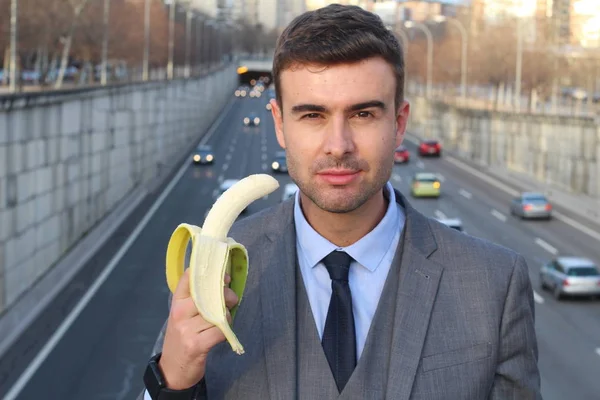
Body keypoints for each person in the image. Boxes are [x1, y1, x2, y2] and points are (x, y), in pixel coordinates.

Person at [139, 4, 541, 400]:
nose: (338, 146)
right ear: (279, 124)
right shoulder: (217, 268)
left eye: (363, 114)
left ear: (399, 124)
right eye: (312, 115)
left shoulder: (494, 285)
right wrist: (172, 380)